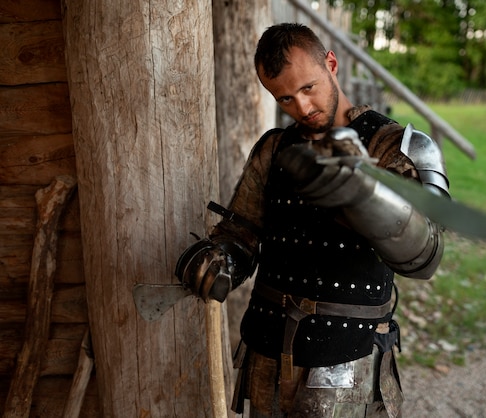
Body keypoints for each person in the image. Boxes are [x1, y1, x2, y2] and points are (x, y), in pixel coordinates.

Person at [175, 23, 449, 418]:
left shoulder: (393, 147)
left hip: (345, 360)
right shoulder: (275, 148)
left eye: (308, 88)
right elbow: (242, 232)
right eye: (285, 98)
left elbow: (425, 256)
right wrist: (220, 261)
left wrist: (365, 195)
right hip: (267, 351)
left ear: (331, 64)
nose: (301, 108)